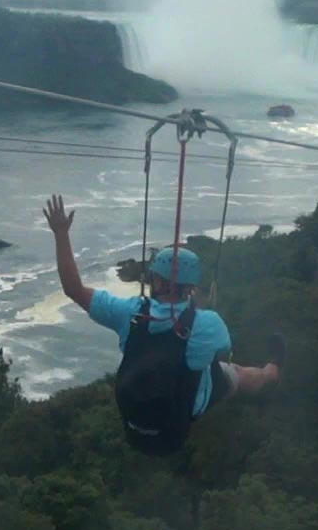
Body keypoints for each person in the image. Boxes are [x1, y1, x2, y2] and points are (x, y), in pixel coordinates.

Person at [43, 194, 279, 455]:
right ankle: (272, 371)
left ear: (154, 280)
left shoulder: (131, 313)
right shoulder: (208, 324)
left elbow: (73, 289)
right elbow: (223, 349)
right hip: (178, 426)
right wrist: (197, 310)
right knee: (236, 372)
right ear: (191, 288)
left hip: (134, 427)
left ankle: (268, 372)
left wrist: (60, 232)